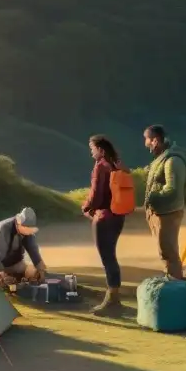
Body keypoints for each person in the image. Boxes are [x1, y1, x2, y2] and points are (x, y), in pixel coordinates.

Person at [80, 134, 127, 316]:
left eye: (92, 149)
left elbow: (96, 195)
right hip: (118, 216)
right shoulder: (118, 163)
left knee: (107, 258)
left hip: (104, 217)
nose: (91, 152)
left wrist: (85, 207)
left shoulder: (101, 166)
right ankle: (114, 297)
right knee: (112, 256)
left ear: (100, 149)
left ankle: (112, 301)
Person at [142, 124, 186, 280]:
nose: (145, 144)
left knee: (169, 253)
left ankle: (176, 287)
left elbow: (173, 189)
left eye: (147, 139)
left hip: (168, 214)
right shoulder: (162, 159)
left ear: (155, 140)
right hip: (160, 212)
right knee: (165, 252)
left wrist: (152, 197)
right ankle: (172, 283)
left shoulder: (173, 161)